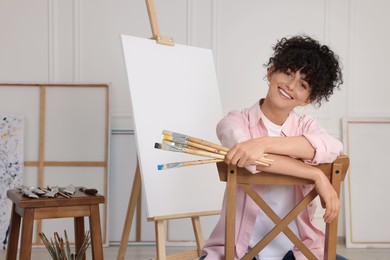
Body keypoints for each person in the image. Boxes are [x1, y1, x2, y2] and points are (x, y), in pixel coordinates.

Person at [199, 35, 347, 260]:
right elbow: (246, 155)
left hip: (300, 252)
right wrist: (315, 173)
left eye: (302, 84)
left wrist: (263, 143)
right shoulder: (236, 122)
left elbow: (334, 147)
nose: (290, 85)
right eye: (288, 72)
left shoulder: (305, 126)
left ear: (307, 99)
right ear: (271, 73)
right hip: (238, 250)